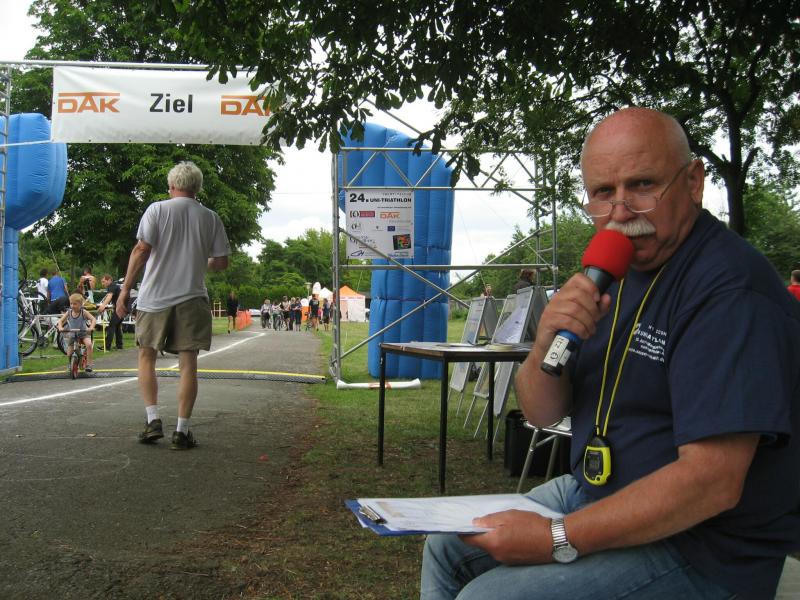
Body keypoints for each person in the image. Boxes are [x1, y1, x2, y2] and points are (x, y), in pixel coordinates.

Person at [420, 108, 800, 600]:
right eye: (603, 192)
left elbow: (713, 482)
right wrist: (545, 341)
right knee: (445, 548)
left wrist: (556, 537)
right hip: (595, 489)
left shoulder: (729, 290)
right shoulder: (612, 272)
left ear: (693, 182)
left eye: (642, 185)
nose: (621, 212)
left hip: (704, 547)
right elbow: (542, 413)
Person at [116, 161, 230, 451]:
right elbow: (221, 262)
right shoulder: (211, 218)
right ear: (197, 187)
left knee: (146, 357)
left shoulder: (156, 210)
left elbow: (142, 249)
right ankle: (182, 430)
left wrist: (125, 290)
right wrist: (199, 261)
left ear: (171, 186)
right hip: (192, 297)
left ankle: (153, 420)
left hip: (154, 297)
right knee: (188, 364)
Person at [56, 293, 96, 372]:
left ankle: (89, 364)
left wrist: (91, 327)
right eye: (71, 303)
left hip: (83, 333)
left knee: (89, 344)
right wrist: (60, 327)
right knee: (69, 352)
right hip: (73, 334)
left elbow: (93, 319)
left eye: (75, 304)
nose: (72, 306)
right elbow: (60, 321)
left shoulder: (83, 312)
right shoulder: (69, 312)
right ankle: (70, 363)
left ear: (80, 304)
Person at [95, 274, 124, 351]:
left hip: (120, 309)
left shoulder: (112, 286)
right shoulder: (114, 286)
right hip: (123, 308)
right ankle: (119, 346)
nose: (102, 284)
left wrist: (103, 305)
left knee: (111, 325)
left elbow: (109, 296)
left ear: (109, 280)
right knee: (117, 326)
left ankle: (107, 347)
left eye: (104, 281)